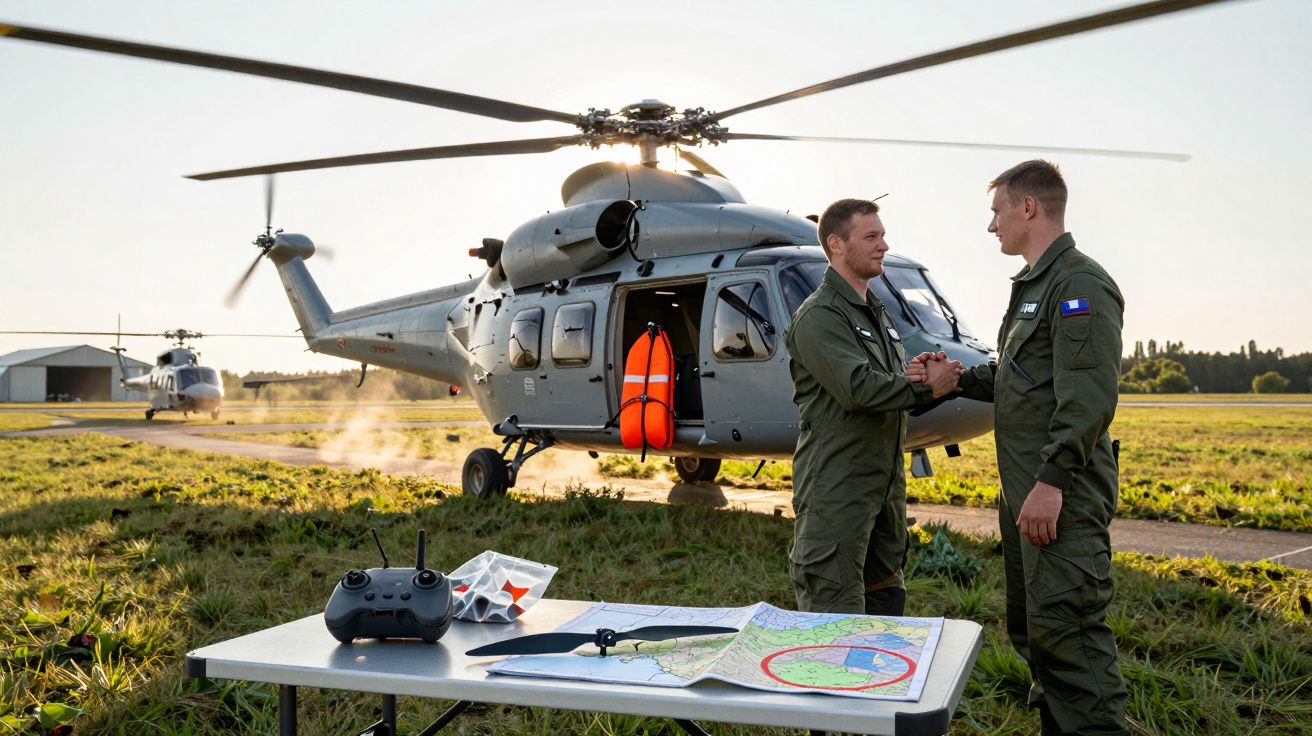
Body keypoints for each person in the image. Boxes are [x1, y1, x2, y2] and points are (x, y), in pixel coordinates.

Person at [949, 160, 1128, 735]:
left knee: (1070, 640)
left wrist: (1050, 482)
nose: (991, 225)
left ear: (1029, 207)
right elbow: (1022, 378)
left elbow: (1086, 399)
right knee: (1040, 637)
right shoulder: (1036, 285)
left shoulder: (1077, 284)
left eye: (996, 210)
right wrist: (958, 377)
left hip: (1059, 497)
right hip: (1028, 496)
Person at [785, 198, 961, 616]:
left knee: (885, 603)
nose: (884, 244)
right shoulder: (820, 316)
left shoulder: (875, 313)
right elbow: (859, 389)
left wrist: (915, 374)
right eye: (872, 236)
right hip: (837, 490)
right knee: (835, 617)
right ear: (837, 244)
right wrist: (927, 389)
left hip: (882, 488)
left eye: (882, 235)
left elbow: (887, 383)